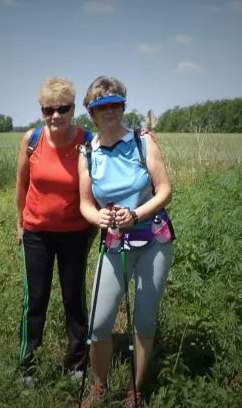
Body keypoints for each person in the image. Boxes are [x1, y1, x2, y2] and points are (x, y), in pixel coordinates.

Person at [78, 76, 174, 408]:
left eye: (115, 104)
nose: (110, 111)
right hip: (116, 242)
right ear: (91, 113)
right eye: (101, 106)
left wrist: (136, 214)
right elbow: (85, 204)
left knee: (144, 320)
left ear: (123, 107)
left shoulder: (143, 142)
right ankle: (100, 387)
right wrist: (98, 218)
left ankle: (135, 390)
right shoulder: (87, 153)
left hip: (154, 240)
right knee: (98, 324)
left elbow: (165, 191)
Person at [15, 77, 96, 386]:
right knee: (34, 299)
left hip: (75, 232)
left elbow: (98, 188)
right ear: (42, 110)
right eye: (48, 110)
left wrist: (91, 229)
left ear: (74, 108)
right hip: (36, 233)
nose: (55, 115)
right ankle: (27, 365)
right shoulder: (32, 139)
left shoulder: (88, 142)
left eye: (63, 108)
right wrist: (20, 224)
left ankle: (76, 363)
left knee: (74, 298)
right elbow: (22, 184)